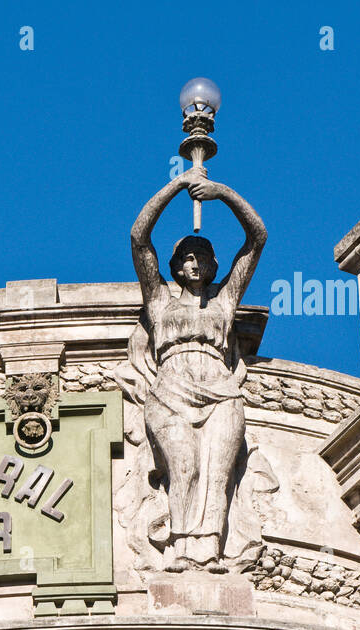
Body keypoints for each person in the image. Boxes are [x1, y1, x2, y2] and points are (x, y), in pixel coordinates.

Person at [127, 167, 266, 571]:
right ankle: (181, 547)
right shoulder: (158, 302)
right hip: (172, 391)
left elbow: (257, 238)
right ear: (176, 266)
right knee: (183, 468)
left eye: (201, 257)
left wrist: (221, 192)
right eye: (186, 257)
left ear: (211, 265)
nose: (194, 263)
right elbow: (139, 238)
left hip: (222, 392)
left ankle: (209, 550)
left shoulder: (225, 302)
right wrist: (176, 184)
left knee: (218, 474)